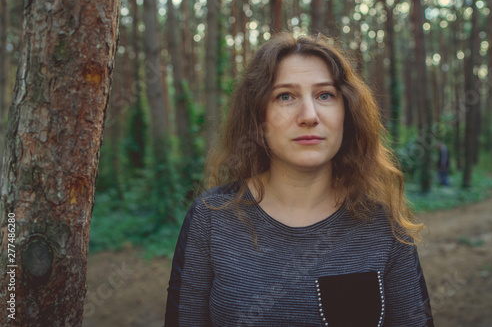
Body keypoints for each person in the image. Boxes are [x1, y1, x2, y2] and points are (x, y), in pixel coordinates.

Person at [164, 33, 434, 327]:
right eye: (285, 96)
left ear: (347, 113)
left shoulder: (384, 226)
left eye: (325, 95)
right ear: (259, 118)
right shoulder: (211, 218)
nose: (309, 116)